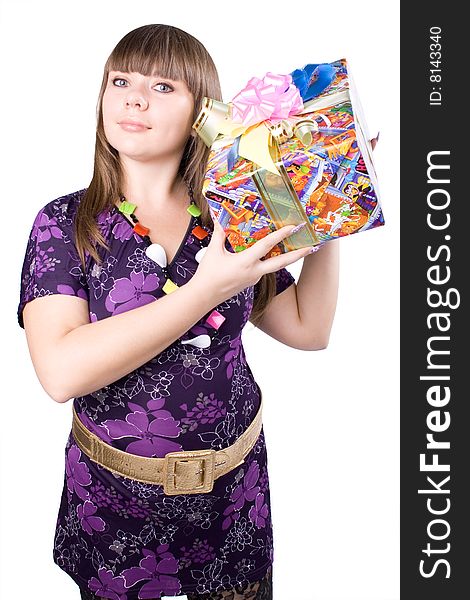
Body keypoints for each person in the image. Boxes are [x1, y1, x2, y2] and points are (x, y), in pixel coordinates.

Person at [16, 24, 376, 600]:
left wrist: (324, 208)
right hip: (118, 511)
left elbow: (309, 329)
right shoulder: (66, 223)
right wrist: (205, 289)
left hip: (235, 502)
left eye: (163, 86)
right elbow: (61, 372)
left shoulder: (233, 215)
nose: (134, 97)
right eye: (121, 80)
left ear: (201, 112)